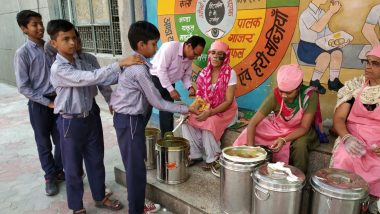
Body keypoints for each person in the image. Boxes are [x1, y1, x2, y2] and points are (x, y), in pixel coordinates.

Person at [48, 19, 139, 213]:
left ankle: (100, 197)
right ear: (54, 43)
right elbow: (89, 78)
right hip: (70, 123)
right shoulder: (59, 69)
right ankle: (77, 207)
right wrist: (119, 64)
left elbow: (103, 78)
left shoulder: (83, 62)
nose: (72, 43)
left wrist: (128, 72)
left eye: (73, 37)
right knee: (72, 169)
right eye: (66, 39)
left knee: (96, 160)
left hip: (90, 118)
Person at [110, 21, 198, 214]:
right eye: (153, 43)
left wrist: (114, 101)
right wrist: (185, 108)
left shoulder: (140, 63)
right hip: (130, 120)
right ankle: (136, 210)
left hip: (129, 119)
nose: (156, 47)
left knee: (136, 166)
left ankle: (138, 206)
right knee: (135, 170)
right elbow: (158, 102)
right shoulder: (139, 69)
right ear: (141, 45)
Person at [233, 64, 321, 173]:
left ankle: (299, 179)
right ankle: (240, 163)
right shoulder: (275, 95)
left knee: (300, 145)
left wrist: (284, 140)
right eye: (281, 91)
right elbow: (253, 123)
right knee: (249, 132)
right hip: (277, 127)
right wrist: (252, 152)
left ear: (299, 87)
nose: (283, 95)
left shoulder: (310, 96)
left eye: (288, 92)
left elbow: (304, 128)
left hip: (300, 130)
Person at [14, 10, 63, 196]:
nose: (40, 27)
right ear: (24, 28)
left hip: (58, 100)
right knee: (44, 143)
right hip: (39, 104)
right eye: (34, 24)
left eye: (40, 23)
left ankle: (59, 171)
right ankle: (50, 176)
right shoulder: (22, 53)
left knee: (62, 140)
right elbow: (23, 87)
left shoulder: (51, 47)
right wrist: (46, 102)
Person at [331, 45, 380, 214]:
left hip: (377, 144)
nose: (368, 66)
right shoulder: (355, 86)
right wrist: (346, 138)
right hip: (354, 138)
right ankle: (343, 205)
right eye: (367, 62)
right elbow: (339, 118)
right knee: (345, 157)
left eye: (376, 63)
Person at [182, 41, 238, 170]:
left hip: (226, 111)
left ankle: (214, 156)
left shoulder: (230, 74)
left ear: (226, 56)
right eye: (213, 53)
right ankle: (195, 154)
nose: (215, 56)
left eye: (220, 54)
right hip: (207, 108)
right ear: (209, 54)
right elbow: (200, 98)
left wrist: (210, 113)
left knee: (210, 122)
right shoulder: (204, 73)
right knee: (186, 120)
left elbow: (228, 101)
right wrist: (191, 109)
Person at [147, 36, 206, 136]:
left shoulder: (189, 57)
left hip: (169, 83)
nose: (195, 57)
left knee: (168, 112)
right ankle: (137, 135)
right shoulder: (170, 47)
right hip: (154, 80)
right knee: (146, 109)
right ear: (189, 46)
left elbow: (186, 75)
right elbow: (161, 71)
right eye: (195, 54)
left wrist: (189, 87)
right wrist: (171, 90)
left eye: (197, 55)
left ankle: (167, 140)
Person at [298, 0, 345, 94]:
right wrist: (331, 12)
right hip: (307, 47)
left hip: (322, 44)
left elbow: (326, 32)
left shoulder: (322, 12)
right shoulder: (306, 14)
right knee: (325, 56)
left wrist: (337, 41)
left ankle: (333, 81)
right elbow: (318, 28)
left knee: (337, 52)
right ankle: (314, 82)